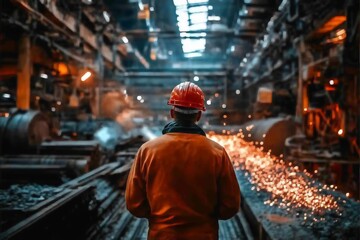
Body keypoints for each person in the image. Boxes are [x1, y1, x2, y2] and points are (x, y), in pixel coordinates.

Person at [125, 81, 241, 239]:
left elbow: (134, 204)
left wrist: (160, 218)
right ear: (199, 115)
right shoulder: (217, 152)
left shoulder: (147, 150)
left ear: (172, 113)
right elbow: (230, 206)